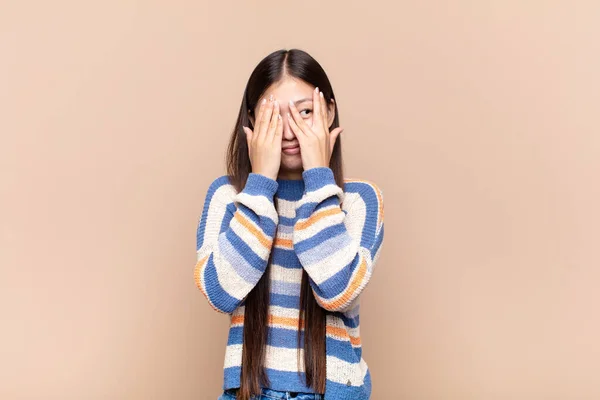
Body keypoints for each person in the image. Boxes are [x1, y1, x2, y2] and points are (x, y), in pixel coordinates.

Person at [194, 49, 385, 400]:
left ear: (329, 110)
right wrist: (260, 185)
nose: (290, 132)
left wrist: (318, 178)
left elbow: (338, 291)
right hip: (250, 392)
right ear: (251, 120)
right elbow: (221, 292)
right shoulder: (229, 197)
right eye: (273, 116)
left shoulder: (359, 200)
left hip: (335, 392)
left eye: (305, 112)